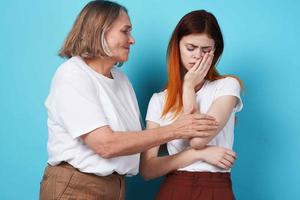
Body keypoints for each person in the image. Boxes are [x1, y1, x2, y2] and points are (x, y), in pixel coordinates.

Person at [39, 1, 220, 199]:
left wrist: (214, 118)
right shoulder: (73, 74)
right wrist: (176, 129)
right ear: (99, 31)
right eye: (125, 31)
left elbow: (135, 142)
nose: (132, 39)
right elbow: (105, 145)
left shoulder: (121, 79)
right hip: (77, 187)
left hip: (115, 188)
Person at [140, 10, 243, 200]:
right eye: (191, 48)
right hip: (175, 187)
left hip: (215, 187)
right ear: (177, 46)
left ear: (215, 50)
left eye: (206, 50)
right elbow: (148, 169)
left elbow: (198, 140)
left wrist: (188, 87)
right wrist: (200, 155)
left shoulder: (227, 86)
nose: (198, 56)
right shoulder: (160, 100)